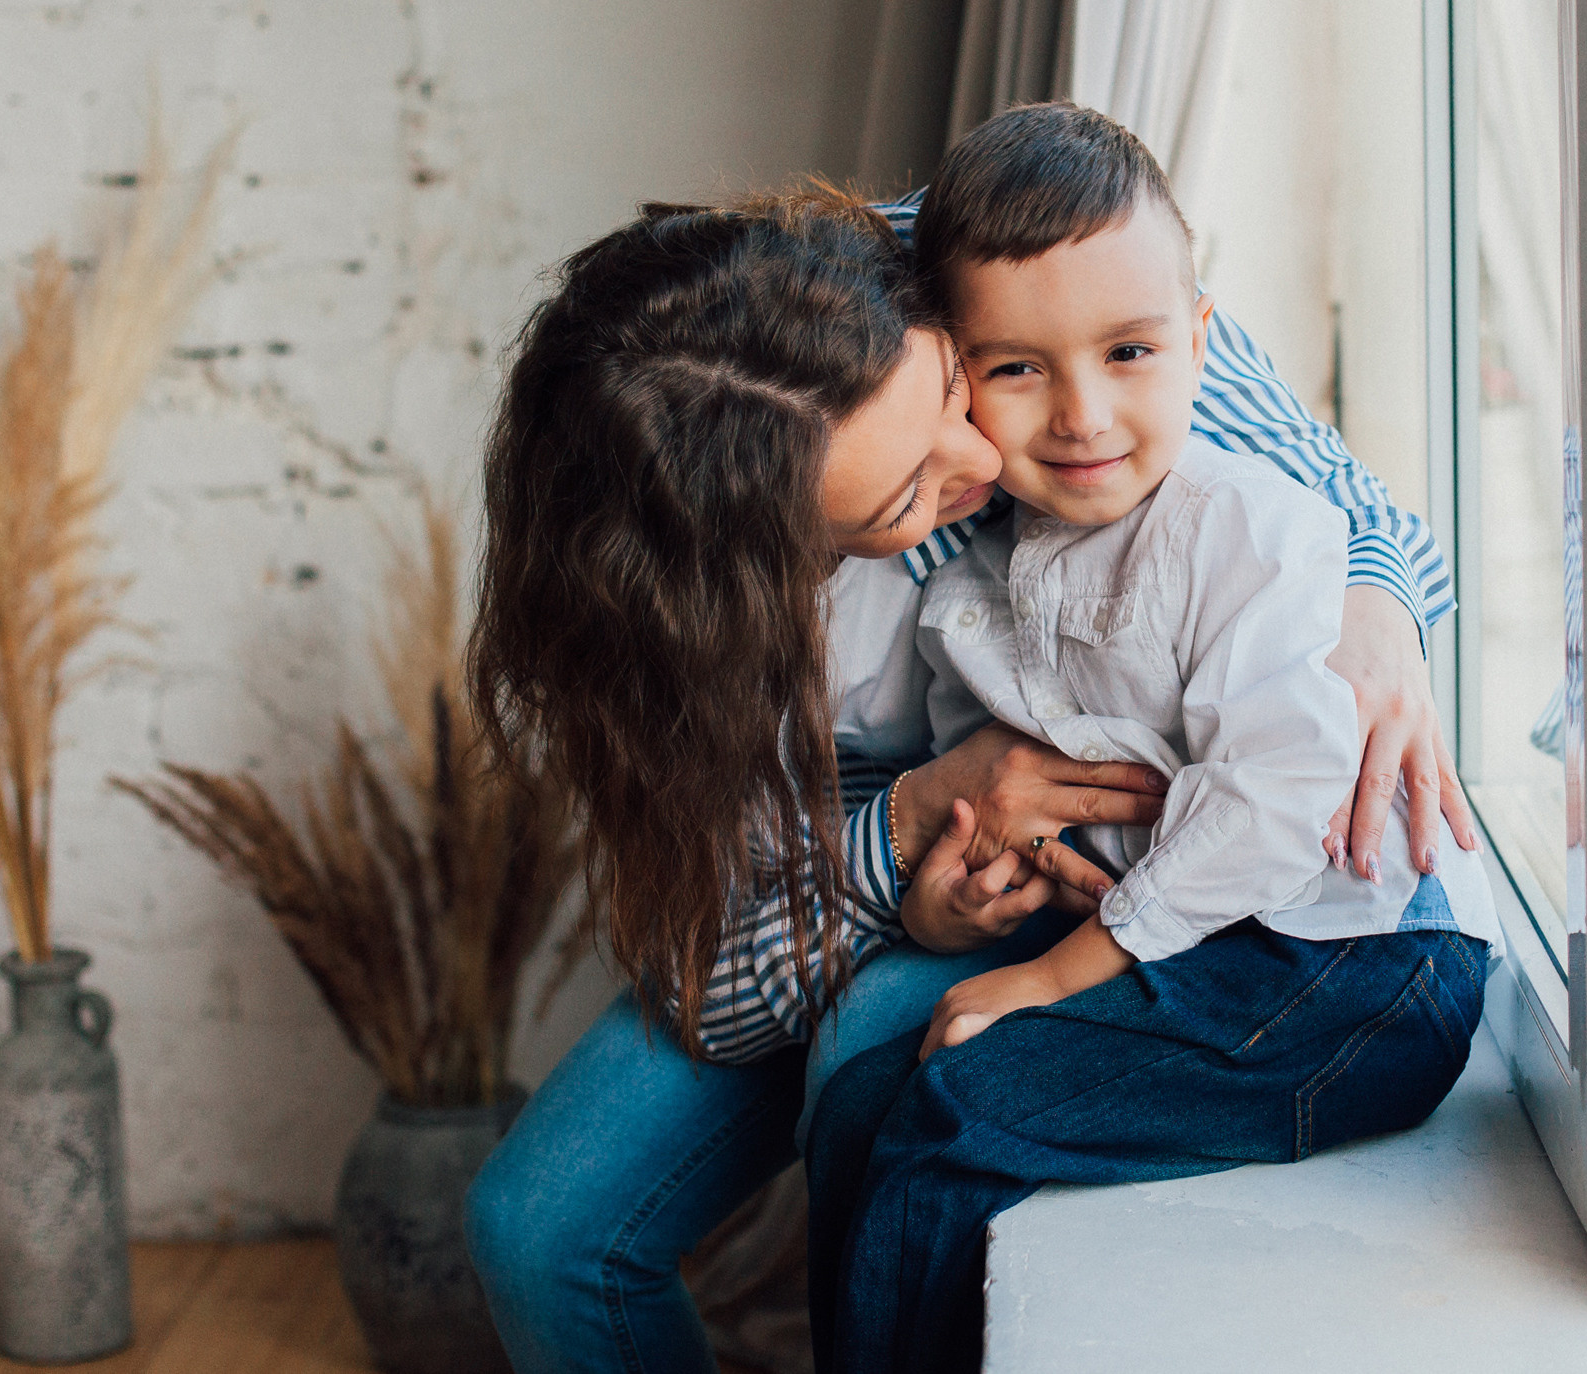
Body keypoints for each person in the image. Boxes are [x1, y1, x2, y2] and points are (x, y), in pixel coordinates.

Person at [460, 171, 1469, 1374]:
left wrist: (1379, 617)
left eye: (950, 384)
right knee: (534, 1230)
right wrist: (904, 844)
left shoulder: (1014, 265)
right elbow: (707, 966)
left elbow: (1351, 508)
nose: (981, 455)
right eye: (906, 495)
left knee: (877, 1055)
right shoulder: (672, 622)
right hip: (867, 874)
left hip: (1153, 871)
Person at [806, 105, 1499, 1374]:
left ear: (1201, 345)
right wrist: (971, 887)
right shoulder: (972, 592)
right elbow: (1009, 807)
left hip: (1344, 969)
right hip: (1198, 950)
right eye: (1019, 369)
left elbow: (1272, 801)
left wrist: (1051, 974)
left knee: (949, 1119)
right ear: (953, 380)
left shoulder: (1260, 528)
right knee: (858, 1099)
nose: (1083, 414)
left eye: (1130, 351)